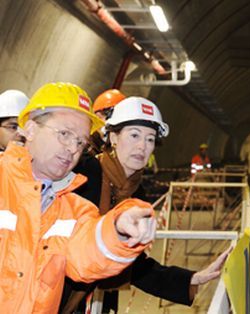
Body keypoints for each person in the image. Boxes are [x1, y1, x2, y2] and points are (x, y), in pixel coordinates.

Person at [61, 96, 231, 313]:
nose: (142, 146)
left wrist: (191, 279)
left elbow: (134, 264)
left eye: (150, 139)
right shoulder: (84, 174)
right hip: (58, 293)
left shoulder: (136, 194)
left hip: (97, 300)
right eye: (134, 135)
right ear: (113, 137)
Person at [0, 82, 157, 313]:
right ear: (31, 130)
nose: (72, 149)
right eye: (64, 134)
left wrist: (117, 230)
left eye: (80, 142)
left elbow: (87, 256)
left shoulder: (75, 209)